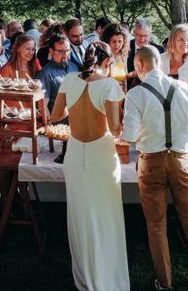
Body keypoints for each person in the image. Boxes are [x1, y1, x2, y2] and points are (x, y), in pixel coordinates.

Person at [123, 46, 188, 291]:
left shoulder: (135, 94)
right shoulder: (184, 88)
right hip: (181, 159)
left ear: (140, 64)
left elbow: (129, 136)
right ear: (159, 63)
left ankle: (164, 283)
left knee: (156, 224)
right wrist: (179, 127)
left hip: (151, 161)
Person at [49, 42, 129, 290]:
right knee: (105, 216)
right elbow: (115, 129)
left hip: (74, 151)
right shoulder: (109, 86)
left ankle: (84, 275)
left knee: (80, 214)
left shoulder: (70, 79)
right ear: (107, 62)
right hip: (101, 153)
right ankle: (106, 277)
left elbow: (55, 116)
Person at [37, 34, 70, 114]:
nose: (65, 55)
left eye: (67, 50)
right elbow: (42, 106)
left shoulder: (74, 67)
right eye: (61, 51)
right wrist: (50, 125)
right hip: (59, 124)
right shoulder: (46, 73)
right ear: (51, 51)